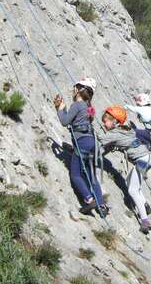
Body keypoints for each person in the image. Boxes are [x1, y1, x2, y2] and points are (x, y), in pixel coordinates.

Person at [54, 77, 107, 216]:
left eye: (75, 88)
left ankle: (89, 200)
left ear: (78, 90)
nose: (73, 90)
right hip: (92, 142)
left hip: (82, 142)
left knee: (76, 174)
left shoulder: (77, 105)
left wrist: (60, 109)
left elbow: (65, 121)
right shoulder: (89, 108)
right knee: (91, 174)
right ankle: (101, 205)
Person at [98, 105, 151, 233]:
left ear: (115, 121)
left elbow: (100, 141)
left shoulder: (115, 133)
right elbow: (110, 146)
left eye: (106, 121)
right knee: (130, 182)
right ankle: (144, 204)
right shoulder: (126, 129)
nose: (103, 123)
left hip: (142, 160)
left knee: (132, 190)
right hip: (146, 158)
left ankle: (145, 221)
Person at [124, 93, 151, 159]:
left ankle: (147, 147)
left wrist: (124, 106)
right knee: (149, 134)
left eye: (138, 103)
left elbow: (128, 107)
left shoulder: (142, 109)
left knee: (133, 132)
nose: (137, 105)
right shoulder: (150, 109)